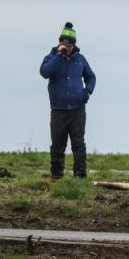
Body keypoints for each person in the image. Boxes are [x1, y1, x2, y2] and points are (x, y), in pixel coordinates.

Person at [40, 22, 96, 180]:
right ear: (59, 43)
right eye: (64, 44)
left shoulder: (80, 59)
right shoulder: (51, 57)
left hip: (77, 111)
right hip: (58, 111)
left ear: (74, 45)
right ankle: (56, 177)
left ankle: (80, 177)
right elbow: (44, 72)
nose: (67, 47)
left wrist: (87, 91)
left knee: (78, 145)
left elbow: (91, 77)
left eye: (69, 45)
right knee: (57, 145)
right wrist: (58, 55)